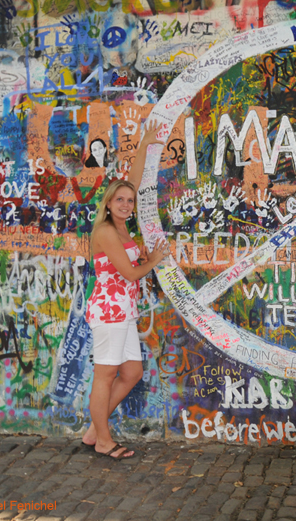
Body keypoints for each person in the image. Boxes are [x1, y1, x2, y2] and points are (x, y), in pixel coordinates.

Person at [80, 122, 167, 459]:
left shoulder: (123, 228)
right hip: (108, 312)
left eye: (129, 200)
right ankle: (103, 439)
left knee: (132, 372)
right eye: (120, 200)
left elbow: (133, 176)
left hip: (124, 313)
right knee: (104, 375)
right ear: (109, 202)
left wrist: (145, 142)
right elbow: (130, 274)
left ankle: (95, 428)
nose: (127, 204)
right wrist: (154, 259)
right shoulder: (105, 232)